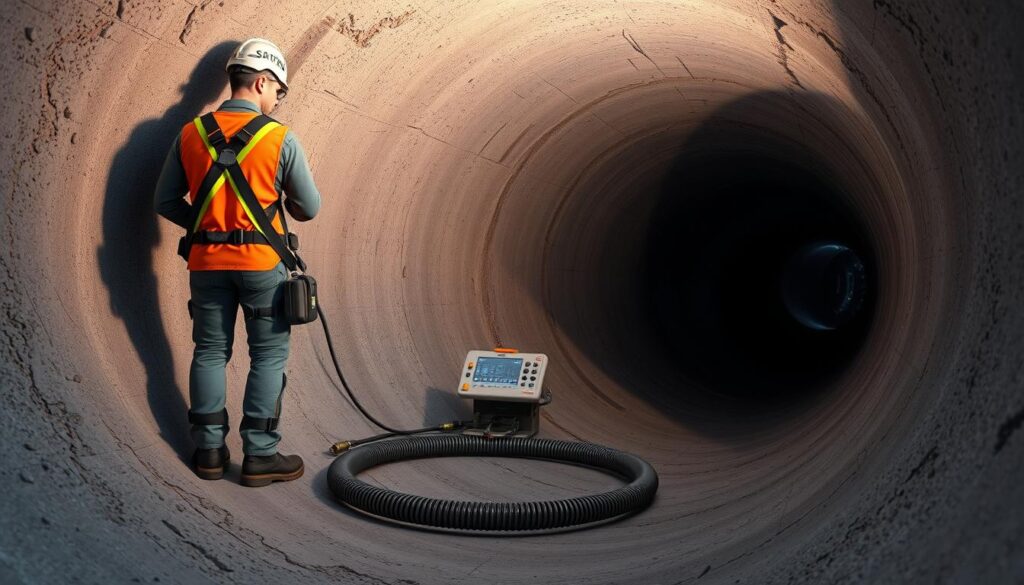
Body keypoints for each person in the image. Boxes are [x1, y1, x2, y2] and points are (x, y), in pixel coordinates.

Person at [154, 38, 321, 487]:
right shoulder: (278, 137)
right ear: (263, 80)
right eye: (278, 90)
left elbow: (164, 199)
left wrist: (206, 224)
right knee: (267, 355)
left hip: (205, 264)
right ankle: (260, 456)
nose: (277, 99)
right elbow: (309, 205)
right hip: (261, 264)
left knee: (209, 350)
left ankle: (208, 450)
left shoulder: (190, 133)